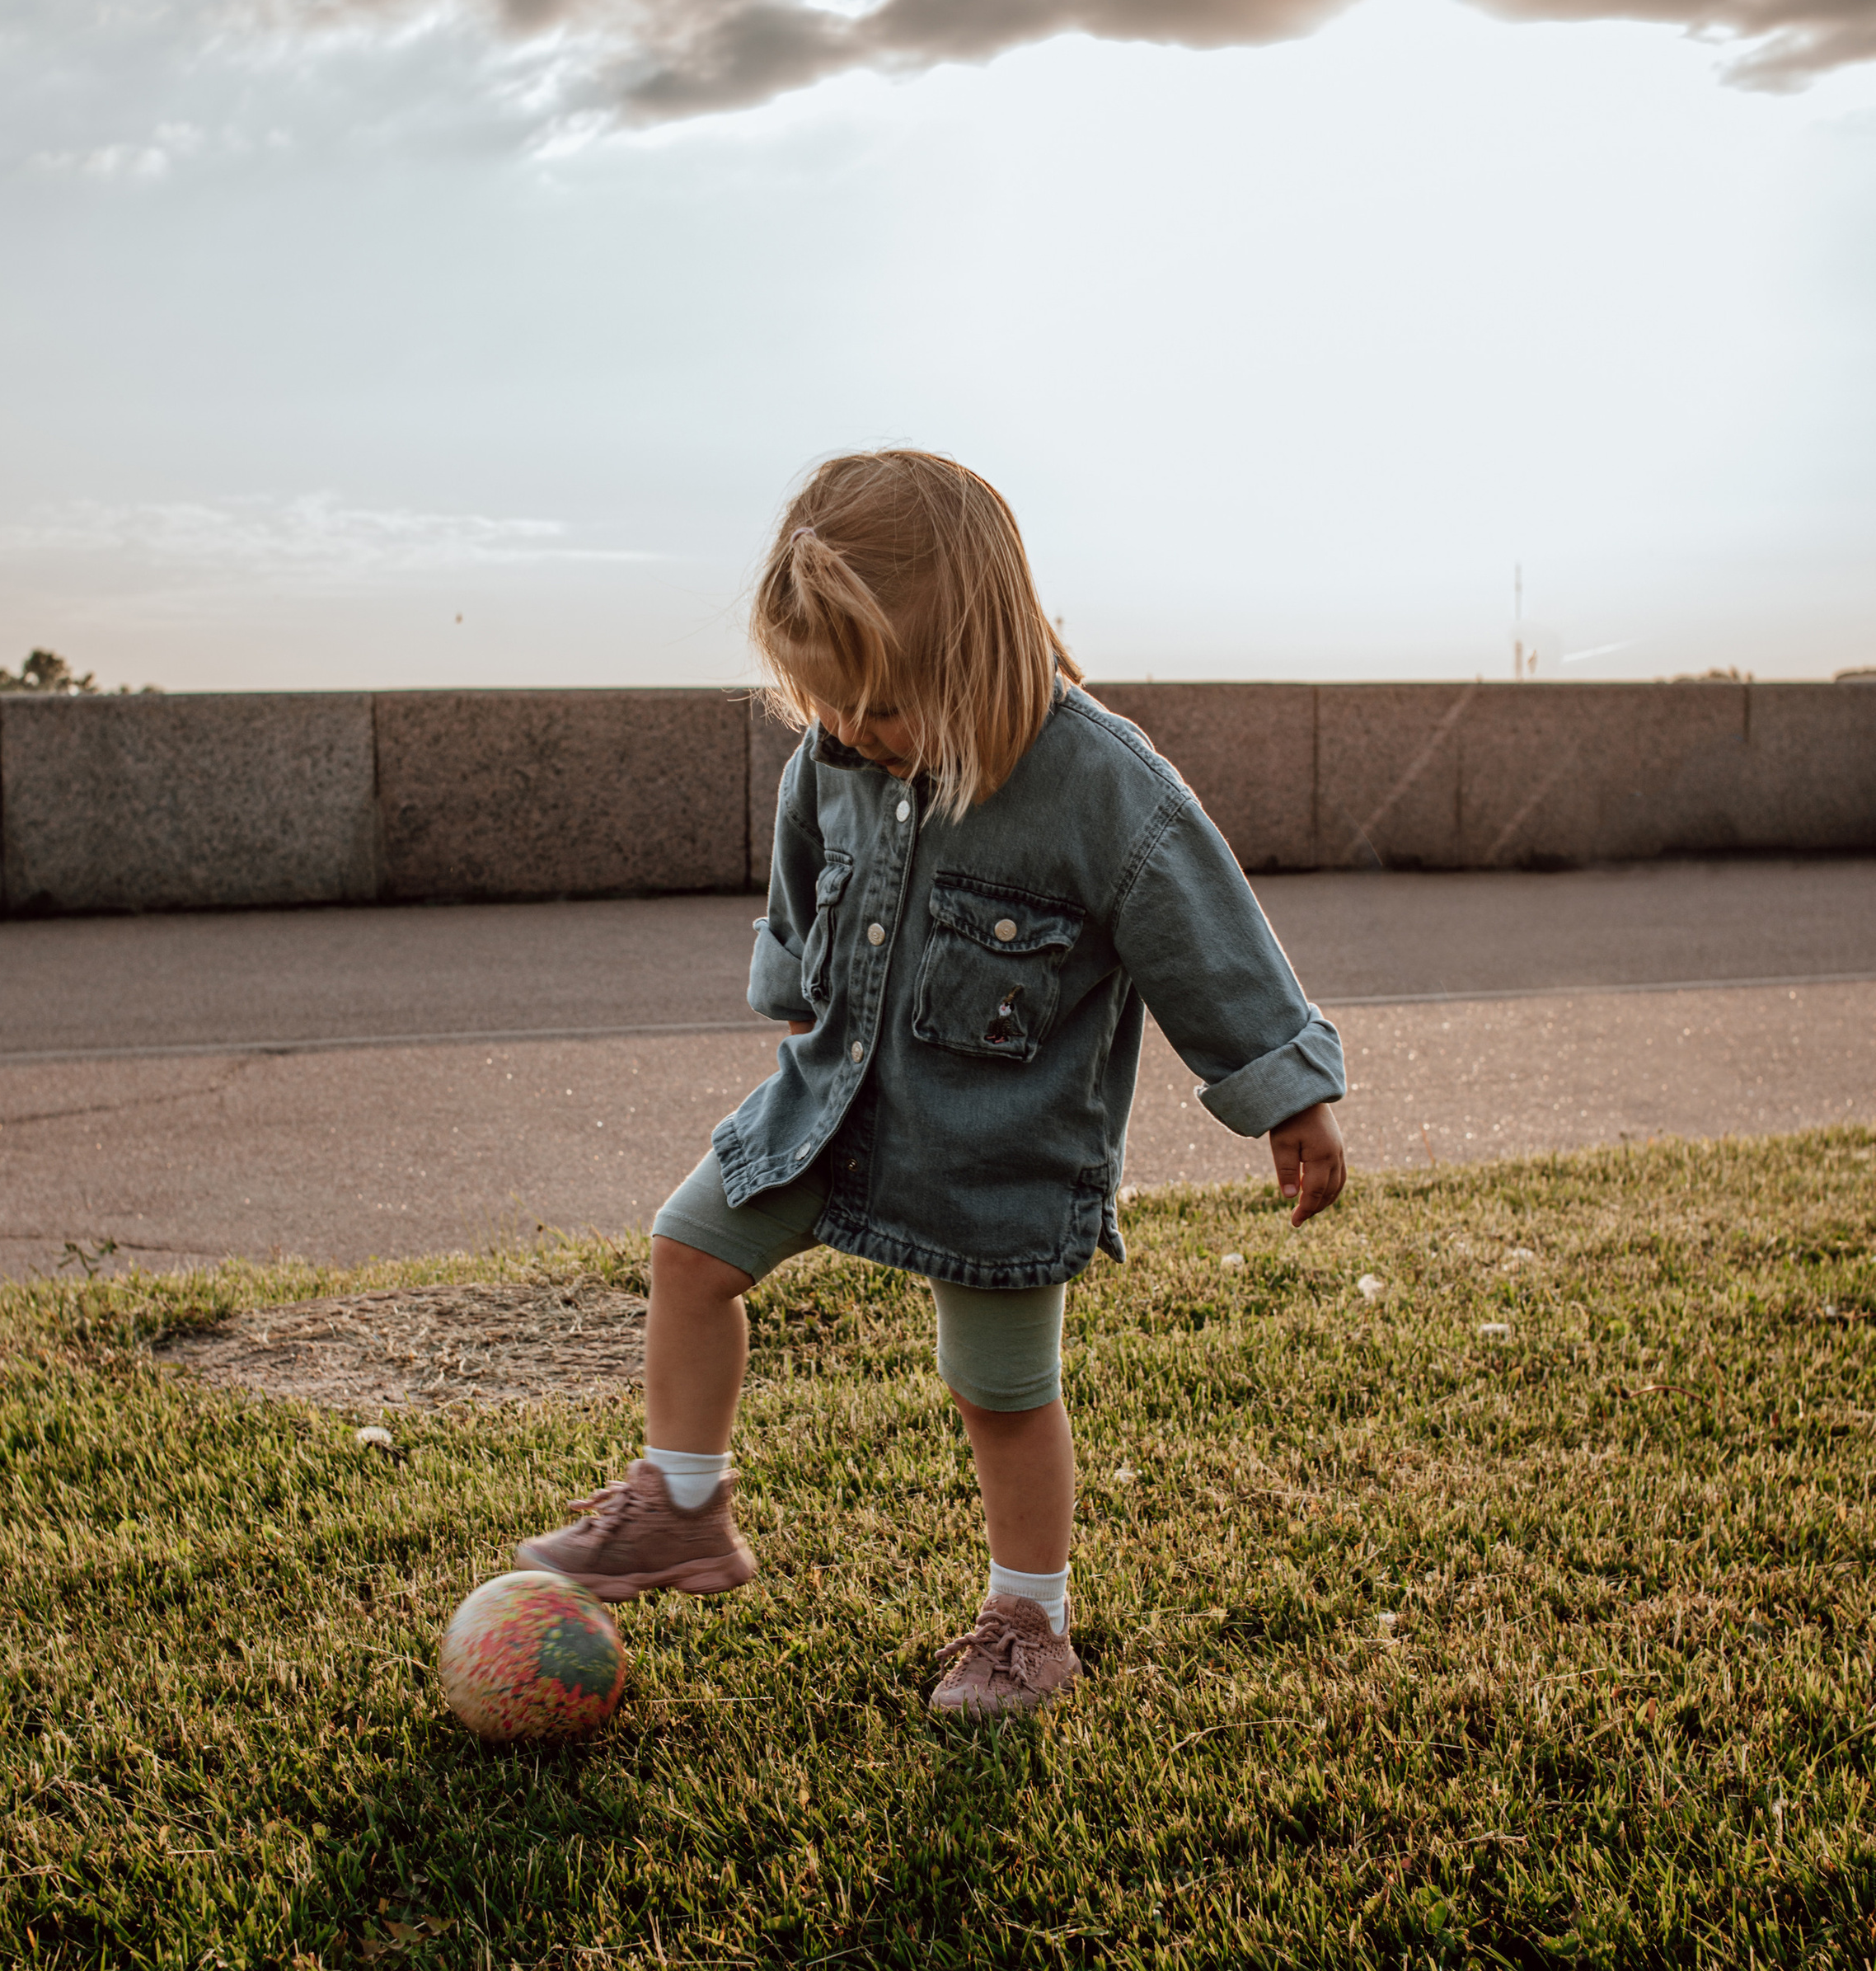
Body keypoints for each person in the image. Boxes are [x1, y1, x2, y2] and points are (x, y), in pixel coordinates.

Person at [516, 449, 1347, 1716]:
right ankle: (682, 1504)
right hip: (832, 1107)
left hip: (998, 1151)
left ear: (986, 658)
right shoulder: (836, 754)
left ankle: (1029, 1623)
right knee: (689, 1251)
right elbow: (806, 860)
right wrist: (794, 975)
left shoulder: (1103, 785)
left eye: (885, 709)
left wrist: (1288, 1095)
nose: (851, 733)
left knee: (999, 1394)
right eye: (826, 704)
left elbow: (1207, 936)